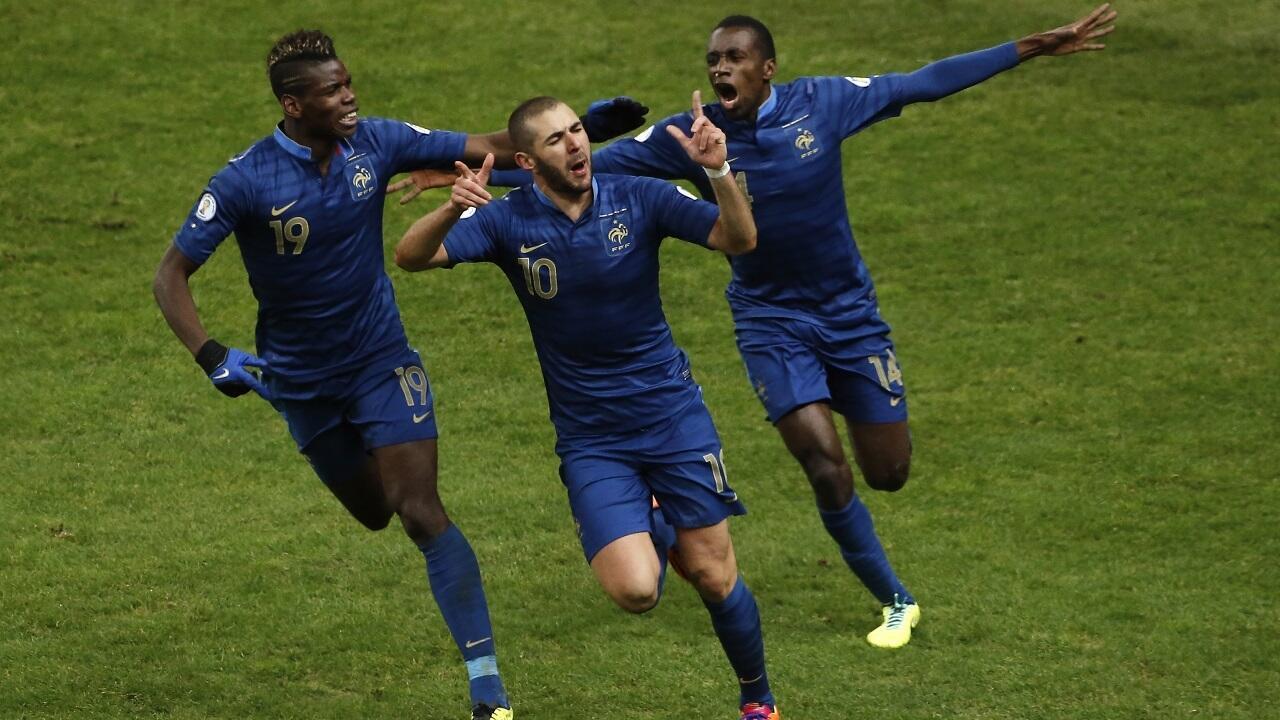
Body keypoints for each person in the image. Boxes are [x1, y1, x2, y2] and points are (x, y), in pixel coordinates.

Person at [397, 4, 1120, 649]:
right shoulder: (686, 134)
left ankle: (682, 513)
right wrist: (466, 175)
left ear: (767, 68)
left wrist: (1029, 47)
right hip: (769, 319)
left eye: (734, 58)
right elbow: (582, 170)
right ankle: (895, 599)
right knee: (820, 458)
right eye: (712, 60)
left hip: (850, 315)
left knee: (887, 472)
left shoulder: (824, 105)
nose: (720, 69)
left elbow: (924, 79)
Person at [152, 30, 645, 720]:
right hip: (300, 382)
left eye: (348, 82)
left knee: (420, 511)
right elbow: (170, 274)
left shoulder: (377, 143)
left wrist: (583, 132)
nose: (349, 96)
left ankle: (488, 692)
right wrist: (213, 356)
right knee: (375, 512)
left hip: (382, 360)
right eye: (332, 90)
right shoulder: (246, 180)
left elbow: (480, 148)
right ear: (295, 105)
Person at [394, 94, 781, 720]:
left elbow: (740, 237)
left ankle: (758, 701)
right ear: (525, 159)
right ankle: (656, 519)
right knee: (635, 591)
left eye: (578, 130)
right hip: (592, 440)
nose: (577, 144)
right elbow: (411, 257)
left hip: (672, 417)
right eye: (557, 140)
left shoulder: (638, 195)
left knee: (713, 576)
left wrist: (717, 172)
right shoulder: (506, 220)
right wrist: (450, 208)